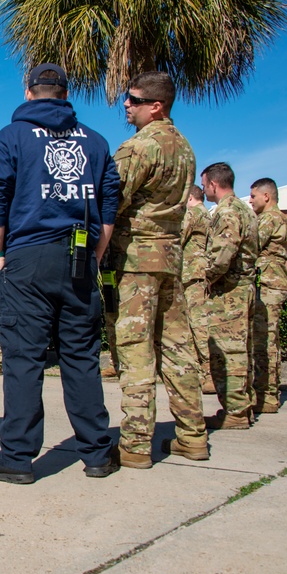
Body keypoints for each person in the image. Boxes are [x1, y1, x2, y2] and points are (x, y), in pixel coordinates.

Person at [0, 63, 120, 484]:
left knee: (24, 359)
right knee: (81, 357)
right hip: (78, 258)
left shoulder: (11, 136)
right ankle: (96, 453)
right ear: (66, 93)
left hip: (28, 257)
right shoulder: (95, 141)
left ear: (29, 90)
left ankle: (17, 458)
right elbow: (109, 205)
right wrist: (95, 255)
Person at [108, 72, 208, 469]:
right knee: (178, 349)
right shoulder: (185, 148)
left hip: (136, 261)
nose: (126, 107)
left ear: (157, 106)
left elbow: (108, 204)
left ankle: (135, 444)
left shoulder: (138, 148)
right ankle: (192, 435)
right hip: (170, 259)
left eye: (132, 100)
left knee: (135, 351)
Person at [201, 162, 259, 430]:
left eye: (204, 185)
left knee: (228, 351)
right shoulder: (244, 209)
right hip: (243, 288)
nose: (204, 190)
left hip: (229, 291)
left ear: (213, 184)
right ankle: (244, 405)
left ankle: (235, 411)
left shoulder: (227, 213)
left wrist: (205, 277)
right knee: (243, 350)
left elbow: (222, 255)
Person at [250, 177, 287, 414]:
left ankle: (266, 395)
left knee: (264, 340)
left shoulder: (270, 218)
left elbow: (251, 243)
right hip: (270, 281)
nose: (251, 201)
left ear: (267, 196)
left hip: (269, 283)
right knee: (266, 338)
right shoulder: (275, 217)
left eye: (253, 196)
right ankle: (266, 392)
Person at [182, 185, 214, 394]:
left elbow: (178, 236)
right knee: (197, 324)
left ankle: (209, 373)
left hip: (193, 275)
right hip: (199, 274)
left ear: (190, 197)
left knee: (198, 325)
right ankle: (204, 373)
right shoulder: (208, 215)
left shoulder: (194, 213)